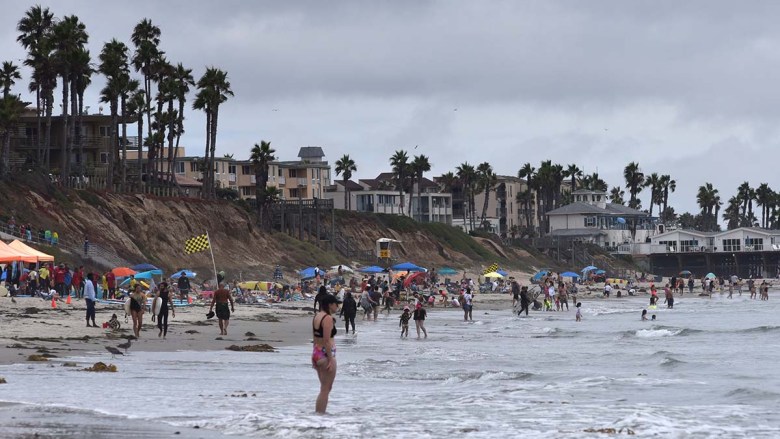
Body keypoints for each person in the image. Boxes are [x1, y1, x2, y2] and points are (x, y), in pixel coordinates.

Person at [312, 294, 340, 414]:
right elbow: (327, 340)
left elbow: (315, 337)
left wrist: (313, 356)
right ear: (330, 305)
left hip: (317, 352)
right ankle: (320, 416)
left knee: (324, 388)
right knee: (325, 389)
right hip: (325, 354)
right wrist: (330, 359)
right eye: (336, 304)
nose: (337, 307)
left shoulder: (317, 316)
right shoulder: (327, 318)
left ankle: (319, 415)